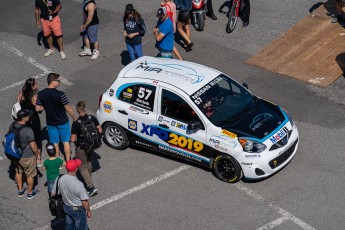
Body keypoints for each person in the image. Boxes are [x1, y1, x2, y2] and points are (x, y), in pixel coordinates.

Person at [35, 73, 77, 162]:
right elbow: (68, 108)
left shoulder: (41, 94)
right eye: (58, 81)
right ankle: (68, 161)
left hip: (50, 123)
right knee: (66, 141)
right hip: (63, 121)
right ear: (53, 81)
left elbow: (37, 108)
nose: (59, 82)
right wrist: (74, 117)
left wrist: (45, 106)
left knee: (55, 142)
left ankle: (58, 161)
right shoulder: (60, 94)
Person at [71, 101, 102, 197]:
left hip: (82, 146)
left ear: (77, 110)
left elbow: (72, 139)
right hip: (92, 145)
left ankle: (90, 187)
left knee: (82, 166)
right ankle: (88, 177)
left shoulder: (76, 123)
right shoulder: (91, 118)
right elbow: (100, 130)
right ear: (85, 108)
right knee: (88, 161)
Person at [52, 159, 91, 230]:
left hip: (66, 206)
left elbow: (53, 193)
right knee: (81, 227)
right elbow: (84, 202)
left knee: (69, 225)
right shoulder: (78, 184)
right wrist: (88, 211)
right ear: (75, 169)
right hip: (78, 209)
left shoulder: (60, 178)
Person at [12, 109, 40, 199]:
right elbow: (33, 145)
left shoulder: (12, 125)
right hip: (27, 156)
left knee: (18, 172)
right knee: (30, 174)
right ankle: (30, 193)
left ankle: (20, 191)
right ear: (24, 118)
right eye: (27, 116)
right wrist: (37, 154)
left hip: (15, 155)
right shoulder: (28, 130)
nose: (29, 117)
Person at [17, 78, 42, 167]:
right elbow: (38, 109)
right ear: (32, 86)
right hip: (33, 119)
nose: (37, 86)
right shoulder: (34, 96)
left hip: (24, 119)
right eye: (35, 84)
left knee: (28, 137)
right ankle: (38, 158)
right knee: (37, 139)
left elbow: (17, 102)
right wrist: (43, 107)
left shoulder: (21, 95)